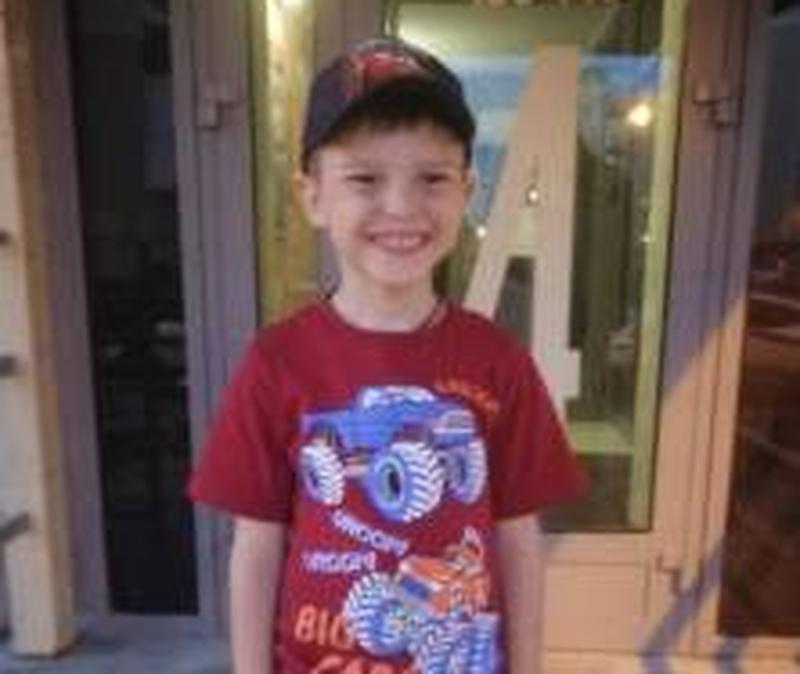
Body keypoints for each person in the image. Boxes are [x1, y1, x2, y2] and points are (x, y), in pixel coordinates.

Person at [187, 37, 587, 674]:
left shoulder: (498, 361)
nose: (401, 207)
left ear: (466, 191)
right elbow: (256, 545)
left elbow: (517, 538)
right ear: (314, 196)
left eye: (432, 178)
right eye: (364, 179)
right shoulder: (276, 362)